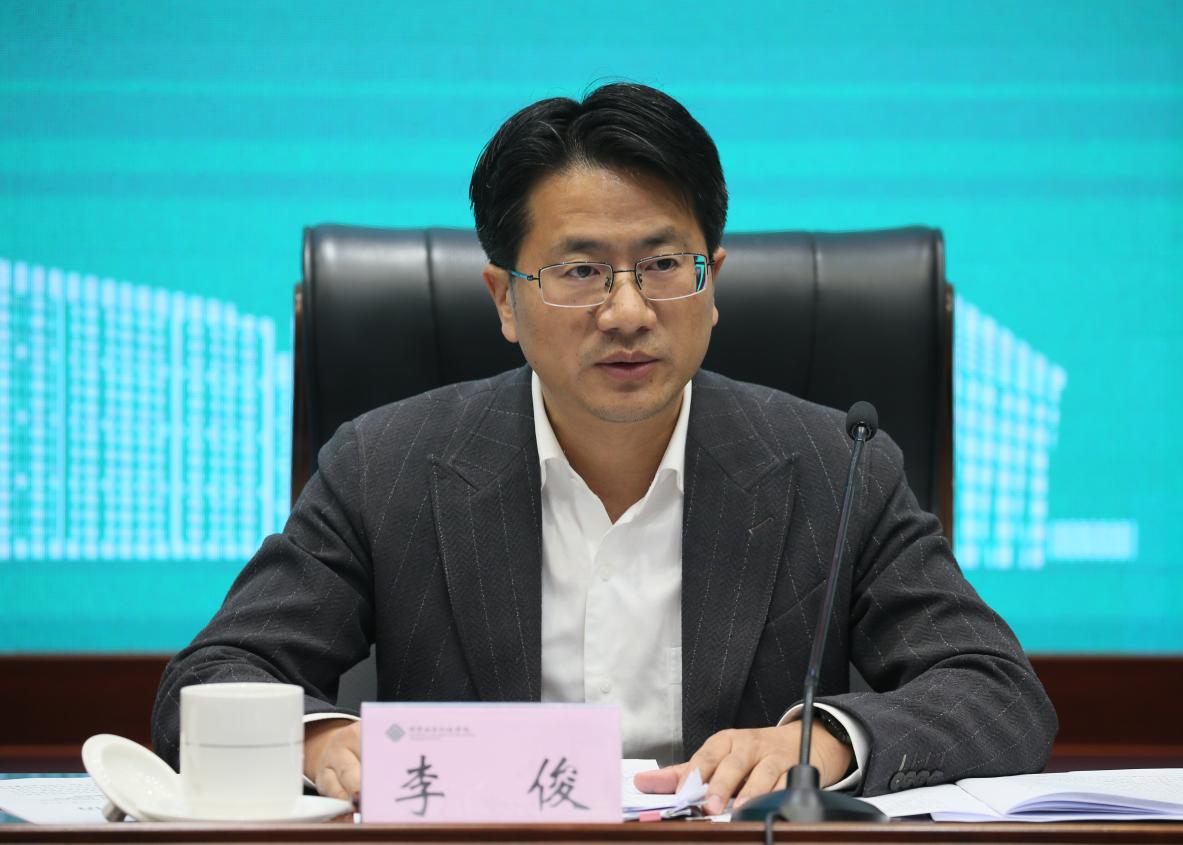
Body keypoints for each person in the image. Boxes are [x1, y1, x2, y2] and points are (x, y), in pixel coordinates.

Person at [153, 82, 1056, 812]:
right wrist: (320, 739)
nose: (627, 312)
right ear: (504, 300)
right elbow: (208, 681)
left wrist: (823, 739)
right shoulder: (383, 467)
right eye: (579, 271)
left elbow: (996, 692)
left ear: (712, 284)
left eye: (662, 266)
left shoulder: (837, 465)